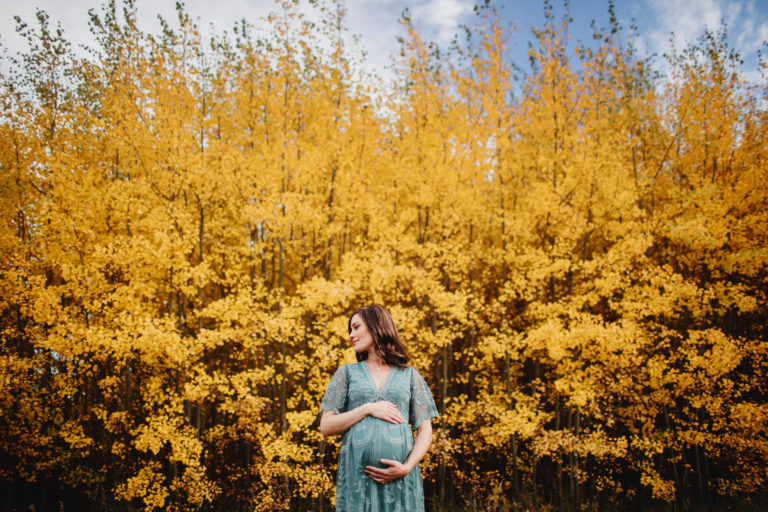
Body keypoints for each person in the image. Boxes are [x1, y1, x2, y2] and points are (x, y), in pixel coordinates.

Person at [319, 305, 439, 511]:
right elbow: (326, 426)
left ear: (376, 326)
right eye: (350, 329)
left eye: (356, 327)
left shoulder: (409, 375)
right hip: (357, 481)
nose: (350, 335)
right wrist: (366, 409)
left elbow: (425, 429)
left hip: (400, 481)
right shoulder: (346, 374)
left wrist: (407, 467)